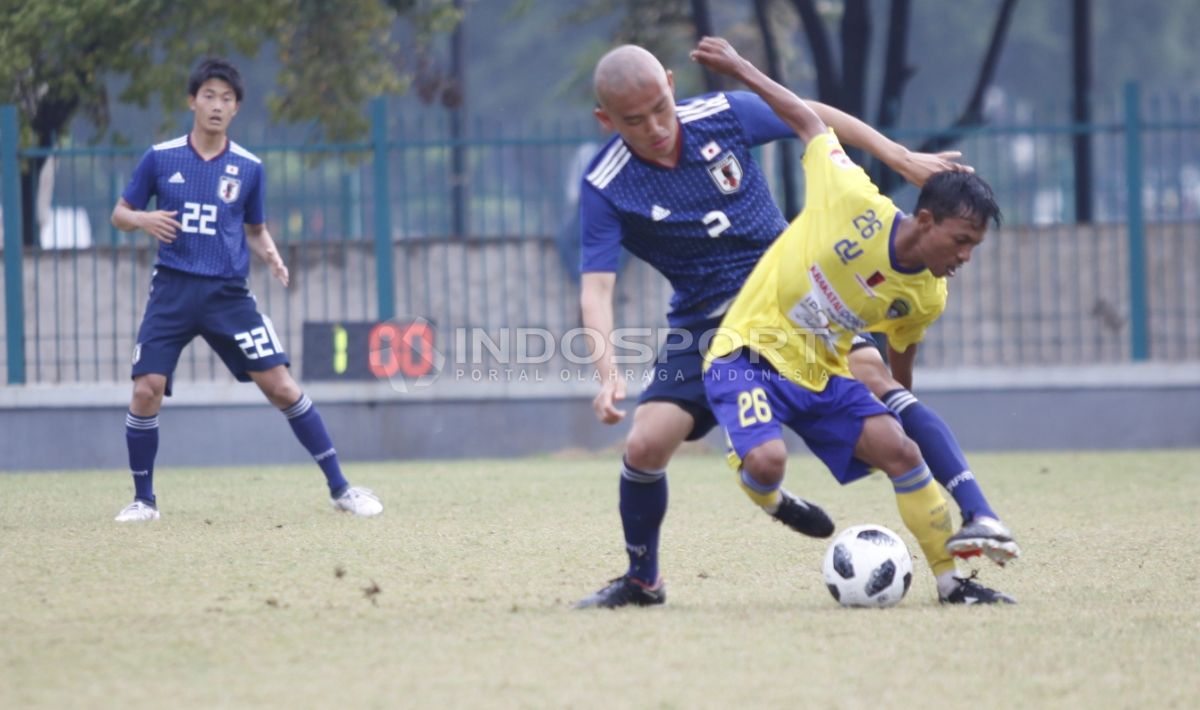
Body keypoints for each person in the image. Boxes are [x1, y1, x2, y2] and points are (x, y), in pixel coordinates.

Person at [574, 43, 1016, 609]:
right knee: (644, 444)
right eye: (634, 121)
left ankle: (956, 571)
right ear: (606, 121)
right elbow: (597, 287)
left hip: (797, 304)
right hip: (707, 324)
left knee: (885, 401)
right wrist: (606, 372)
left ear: (668, 82)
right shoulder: (607, 183)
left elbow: (810, 115)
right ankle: (644, 580)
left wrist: (898, 155)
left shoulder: (718, 116)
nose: (657, 127)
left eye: (661, 106)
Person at [109, 58, 382, 521]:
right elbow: (119, 213)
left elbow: (254, 229)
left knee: (281, 387)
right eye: (209, 96)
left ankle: (342, 489)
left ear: (236, 109)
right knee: (146, 389)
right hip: (172, 291)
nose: (217, 105)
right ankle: (144, 501)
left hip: (228, 296)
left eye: (227, 98)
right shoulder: (161, 157)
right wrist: (142, 219)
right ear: (192, 100)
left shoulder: (249, 167)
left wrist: (271, 253)